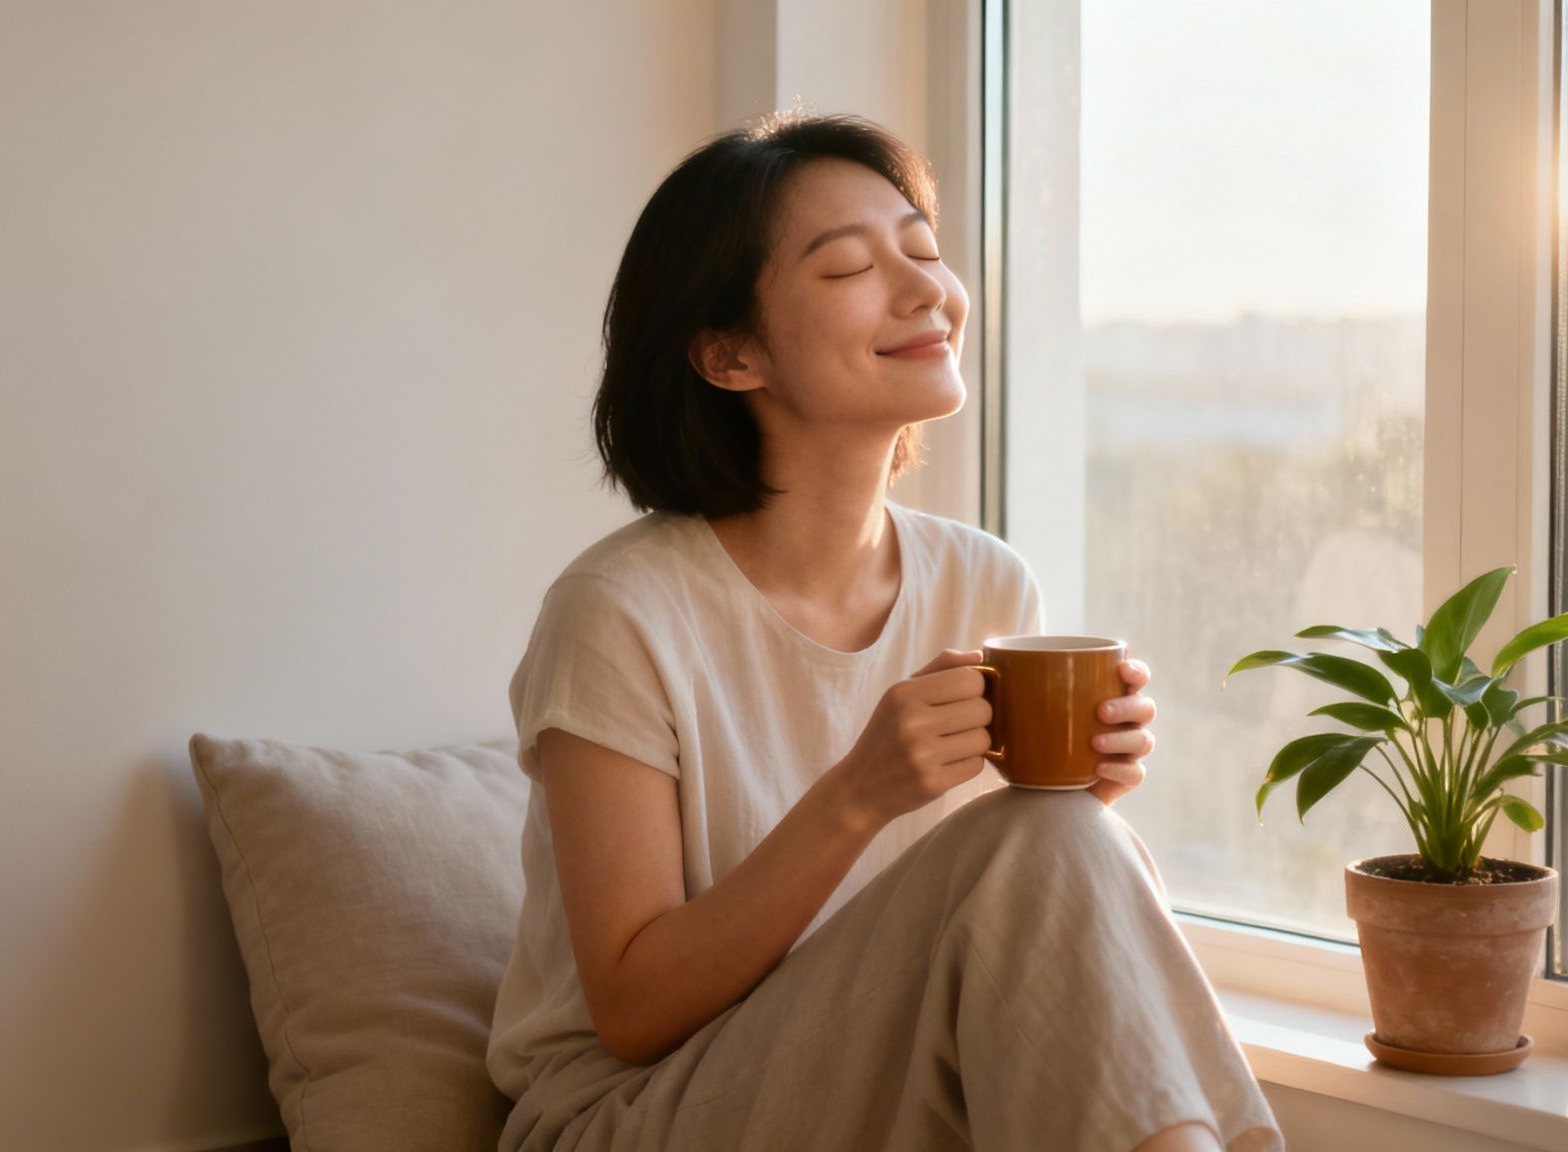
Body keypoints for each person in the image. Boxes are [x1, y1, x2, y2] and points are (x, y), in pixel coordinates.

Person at [485, 110, 1283, 1152]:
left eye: (923, 249)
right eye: (850, 267)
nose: (926, 292)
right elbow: (633, 1012)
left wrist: (1080, 796)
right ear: (729, 354)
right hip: (634, 1113)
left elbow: (991, 928)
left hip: (875, 1076)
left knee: (1058, 832)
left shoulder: (983, 581)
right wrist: (858, 795)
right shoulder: (618, 612)